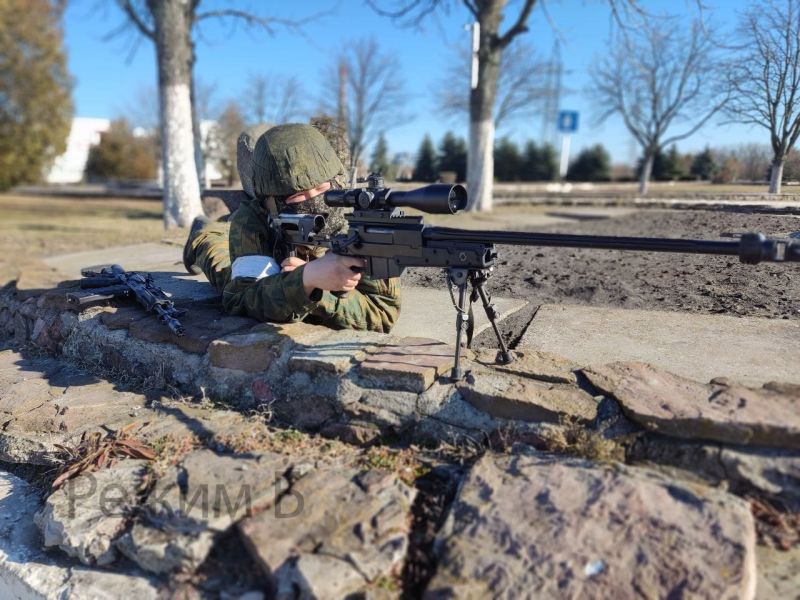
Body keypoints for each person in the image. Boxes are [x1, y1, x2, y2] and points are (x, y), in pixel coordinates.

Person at [183, 123, 401, 333]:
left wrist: (314, 287)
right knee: (224, 271)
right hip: (264, 246)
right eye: (297, 196)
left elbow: (382, 313)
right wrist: (306, 279)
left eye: (322, 188)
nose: (314, 200)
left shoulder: (359, 221)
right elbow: (240, 298)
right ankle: (204, 233)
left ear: (338, 182)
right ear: (270, 202)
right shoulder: (254, 218)